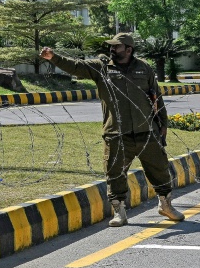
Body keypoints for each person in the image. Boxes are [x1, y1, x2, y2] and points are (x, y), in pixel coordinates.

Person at [39, 33, 185, 227]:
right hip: (117, 133)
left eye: (116, 46)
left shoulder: (144, 68)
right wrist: (53, 57)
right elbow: (76, 66)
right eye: (111, 46)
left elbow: (156, 97)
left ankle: (165, 205)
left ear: (128, 50)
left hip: (147, 131)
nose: (112, 49)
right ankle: (119, 212)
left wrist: (163, 124)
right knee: (115, 173)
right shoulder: (101, 67)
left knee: (160, 169)